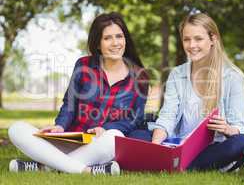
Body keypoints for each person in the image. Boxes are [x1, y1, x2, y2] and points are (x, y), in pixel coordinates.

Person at [8, 12, 149, 175]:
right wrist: (60, 126)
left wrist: (106, 128)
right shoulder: (83, 65)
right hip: (73, 138)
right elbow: (70, 104)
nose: (115, 43)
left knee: (115, 137)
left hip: (100, 144)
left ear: (125, 39)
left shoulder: (140, 77)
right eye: (108, 38)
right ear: (98, 44)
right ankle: (85, 170)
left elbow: (134, 119)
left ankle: (46, 166)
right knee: (16, 129)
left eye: (119, 36)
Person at [150, 12, 244, 171]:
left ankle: (181, 166)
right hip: (179, 145)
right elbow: (167, 117)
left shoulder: (232, 77)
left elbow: (239, 128)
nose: (191, 45)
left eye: (198, 39)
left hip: (214, 149)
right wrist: (154, 148)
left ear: (213, 40)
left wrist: (226, 129)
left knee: (242, 142)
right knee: (139, 134)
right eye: (187, 39)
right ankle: (174, 163)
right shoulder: (177, 74)